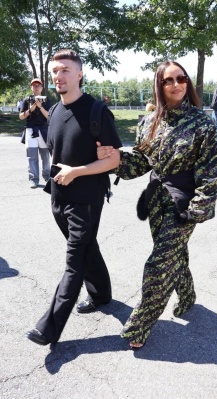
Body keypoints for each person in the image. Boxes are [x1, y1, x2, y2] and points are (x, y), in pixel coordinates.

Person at [97, 61, 217, 349]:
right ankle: (188, 295)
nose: (176, 84)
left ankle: (139, 327)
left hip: (185, 202)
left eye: (181, 79)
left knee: (158, 262)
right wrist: (112, 158)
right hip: (156, 199)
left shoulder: (203, 123)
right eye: (169, 80)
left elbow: (210, 170)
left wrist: (198, 208)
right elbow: (140, 163)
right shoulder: (148, 122)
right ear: (160, 85)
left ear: (187, 83)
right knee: (173, 254)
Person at [26, 49, 122, 346]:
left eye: (65, 70)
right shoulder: (53, 112)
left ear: (79, 74)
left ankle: (49, 327)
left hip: (87, 199)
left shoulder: (97, 112)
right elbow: (58, 152)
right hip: (58, 197)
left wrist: (77, 171)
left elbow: (114, 160)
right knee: (85, 249)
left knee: (74, 260)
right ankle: (102, 295)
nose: (59, 76)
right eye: (55, 71)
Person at [19, 79, 51, 188]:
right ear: (31, 87)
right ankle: (33, 179)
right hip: (30, 130)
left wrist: (40, 106)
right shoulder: (27, 100)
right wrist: (31, 108)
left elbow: (49, 117)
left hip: (43, 130)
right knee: (31, 157)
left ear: (42, 87)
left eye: (38, 85)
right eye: (34, 85)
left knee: (45, 156)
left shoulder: (46, 100)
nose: (36, 87)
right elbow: (21, 116)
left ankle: (47, 176)